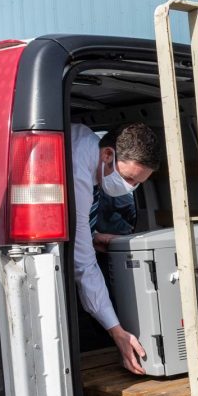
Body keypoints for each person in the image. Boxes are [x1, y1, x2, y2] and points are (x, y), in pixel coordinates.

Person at [72, 122, 160, 375]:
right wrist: (117, 332)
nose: (131, 187)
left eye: (138, 183)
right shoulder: (79, 170)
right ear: (108, 154)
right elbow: (83, 266)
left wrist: (93, 236)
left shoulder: (90, 144)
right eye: (130, 179)